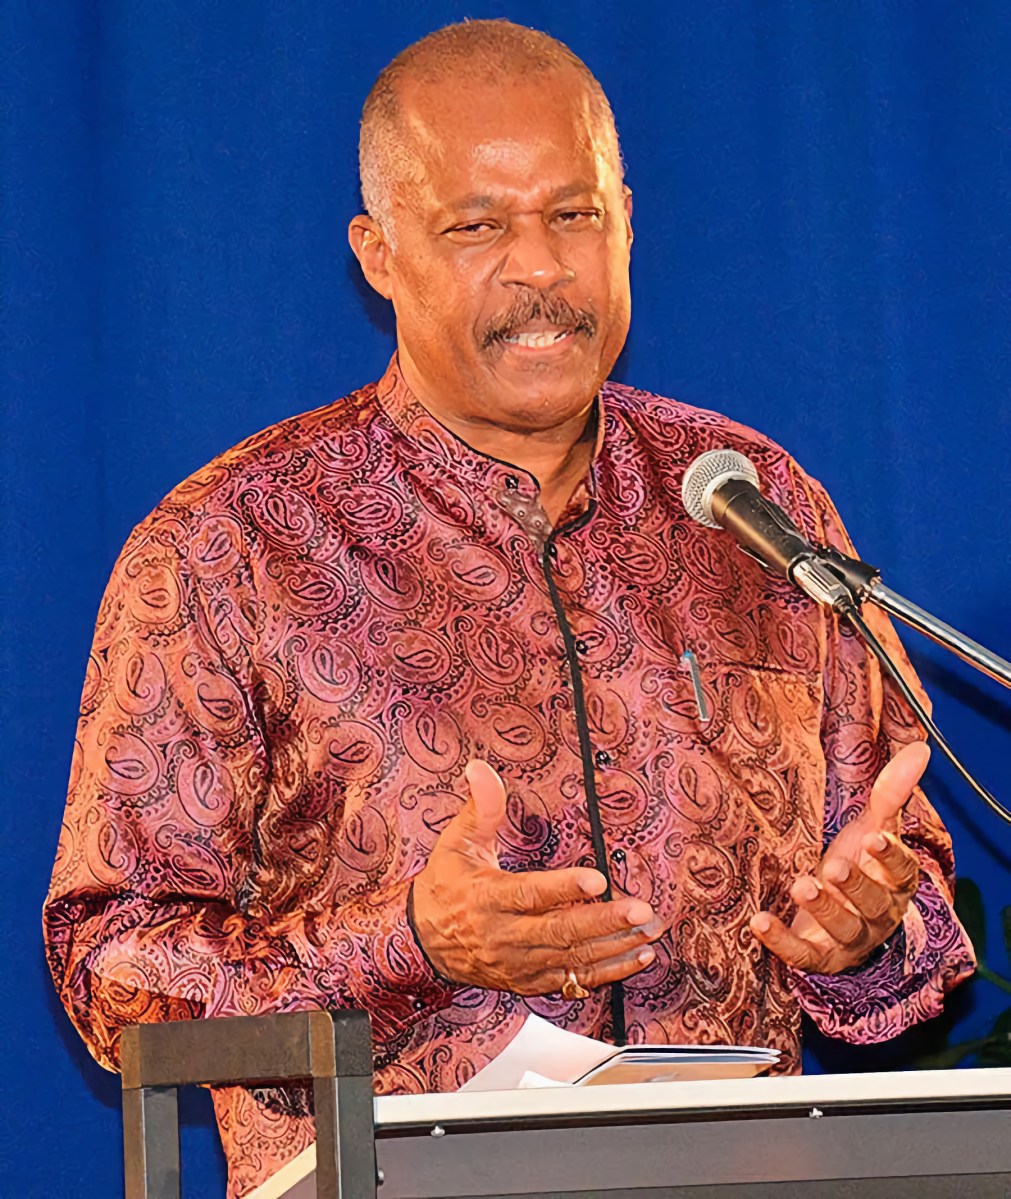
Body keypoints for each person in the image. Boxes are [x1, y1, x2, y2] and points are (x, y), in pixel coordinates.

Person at [44, 19, 974, 1199]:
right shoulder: (231, 550)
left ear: (627, 220)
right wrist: (411, 942)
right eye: (478, 225)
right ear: (378, 253)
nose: (540, 267)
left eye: (573, 215)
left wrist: (868, 932)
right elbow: (109, 967)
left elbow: (906, 887)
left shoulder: (751, 505)